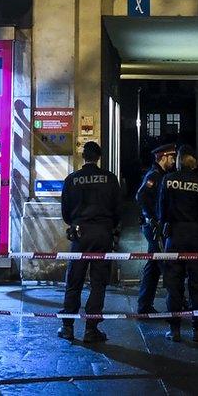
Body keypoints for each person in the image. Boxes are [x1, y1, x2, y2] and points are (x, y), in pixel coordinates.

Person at [58, 141, 123, 343]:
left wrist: (76, 222)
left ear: (83, 156)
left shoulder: (72, 179)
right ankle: (91, 329)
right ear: (99, 157)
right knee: (98, 283)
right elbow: (119, 210)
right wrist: (111, 227)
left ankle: (67, 327)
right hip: (102, 234)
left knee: (74, 280)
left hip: (80, 233)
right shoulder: (110, 179)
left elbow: (65, 212)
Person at [157, 145, 198, 343]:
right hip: (195, 237)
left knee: (174, 283)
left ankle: (175, 329)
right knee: (197, 283)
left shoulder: (167, 180)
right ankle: (197, 329)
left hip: (174, 236)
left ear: (179, 160)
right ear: (194, 161)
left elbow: (161, 210)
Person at [135, 143, 178, 314]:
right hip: (154, 228)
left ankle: (144, 305)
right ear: (163, 157)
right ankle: (177, 302)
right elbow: (141, 196)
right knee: (166, 266)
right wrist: (152, 218)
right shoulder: (154, 175)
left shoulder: (163, 175)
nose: (174, 160)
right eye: (172, 157)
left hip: (156, 226)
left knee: (153, 267)